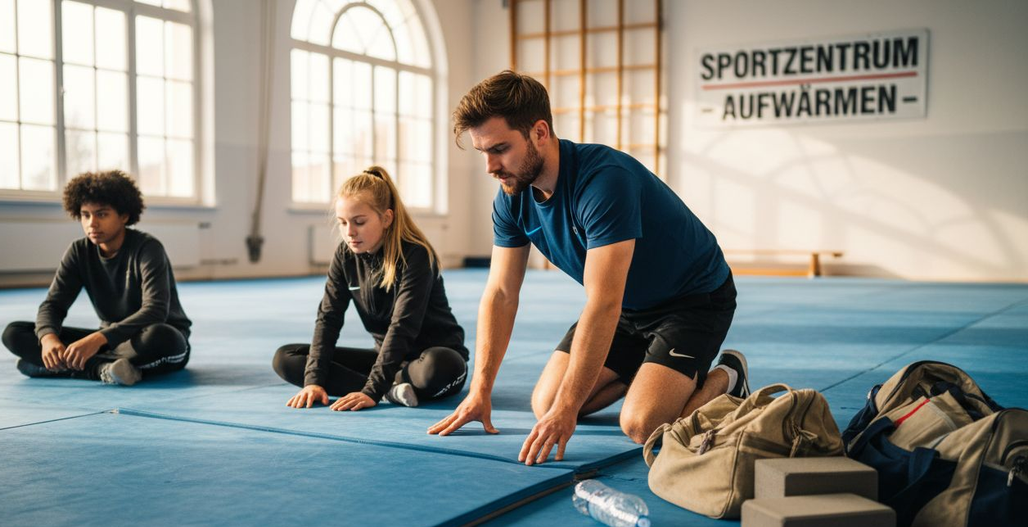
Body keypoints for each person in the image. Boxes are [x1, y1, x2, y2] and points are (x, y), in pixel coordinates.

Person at [428, 71, 749, 465]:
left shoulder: (603, 181)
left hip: (692, 300)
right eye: (483, 153)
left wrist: (569, 410)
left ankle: (726, 378)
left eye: (500, 149)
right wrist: (481, 389)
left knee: (642, 425)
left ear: (540, 132)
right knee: (546, 402)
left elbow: (602, 302)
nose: (491, 166)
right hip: (628, 307)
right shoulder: (512, 196)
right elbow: (500, 294)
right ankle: (653, 370)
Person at [274, 166, 469, 411]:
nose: (349, 232)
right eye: (342, 223)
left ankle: (387, 385)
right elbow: (328, 318)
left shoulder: (416, 255)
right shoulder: (345, 256)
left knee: (442, 365)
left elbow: (403, 325)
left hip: (426, 360)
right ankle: (393, 390)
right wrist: (313, 381)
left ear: (386, 218)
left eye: (359, 222)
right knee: (286, 358)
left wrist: (372, 390)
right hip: (386, 360)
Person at [1, 170, 192, 385]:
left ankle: (59, 368)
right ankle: (102, 368)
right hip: (110, 343)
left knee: (161, 336)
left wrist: (98, 339)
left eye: (101, 214)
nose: (92, 223)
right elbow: (53, 305)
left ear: (124, 216)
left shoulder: (148, 248)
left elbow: (155, 310)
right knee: (14, 332)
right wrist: (48, 340)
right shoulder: (78, 251)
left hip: (149, 340)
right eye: (85, 215)